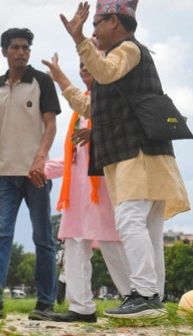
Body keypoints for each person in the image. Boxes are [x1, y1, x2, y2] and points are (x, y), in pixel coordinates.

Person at [48, 0, 190, 319]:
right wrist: (62, 82)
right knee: (148, 227)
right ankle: (152, 300)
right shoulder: (114, 64)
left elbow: (106, 72)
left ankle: (144, 294)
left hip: (137, 154)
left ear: (115, 22)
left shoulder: (128, 50)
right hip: (140, 155)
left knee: (128, 218)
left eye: (96, 23)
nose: (93, 31)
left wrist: (78, 39)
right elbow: (90, 107)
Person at [0, 28, 61, 319]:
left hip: (35, 174)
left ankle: (46, 303)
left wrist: (40, 157)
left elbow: (50, 125)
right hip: (5, 174)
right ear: (4, 52)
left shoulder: (42, 82)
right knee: (1, 235)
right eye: (15, 47)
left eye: (25, 47)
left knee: (43, 238)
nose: (21, 52)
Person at [40, 61, 131, 323]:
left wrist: (96, 133)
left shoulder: (114, 97)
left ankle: (136, 300)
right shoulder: (80, 106)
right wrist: (40, 169)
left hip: (103, 187)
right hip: (77, 192)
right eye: (81, 65)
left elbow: (124, 134)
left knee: (113, 244)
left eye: (90, 63)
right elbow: (74, 156)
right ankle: (81, 307)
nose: (84, 69)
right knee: (74, 244)